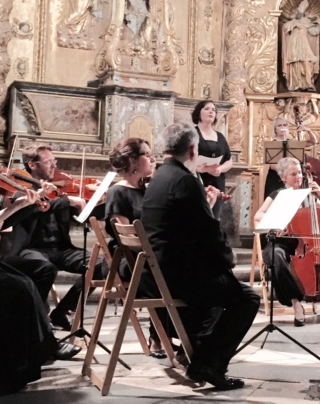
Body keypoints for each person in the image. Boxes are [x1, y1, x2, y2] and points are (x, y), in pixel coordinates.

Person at [0, 119, 81, 400]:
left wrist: (16, 207)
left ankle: (30, 352)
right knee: (20, 286)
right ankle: (17, 358)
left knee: (24, 282)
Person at [141, 121, 259, 391]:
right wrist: (227, 260)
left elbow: (187, 228)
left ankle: (198, 352)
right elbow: (209, 234)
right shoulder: (185, 180)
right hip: (178, 275)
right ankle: (209, 364)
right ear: (193, 150)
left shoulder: (160, 176)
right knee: (247, 298)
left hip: (157, 270)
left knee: (223, 291)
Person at [254, 158, 320, 326]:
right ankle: (295, 303)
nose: (298, 176)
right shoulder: (277, 195)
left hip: (310, 245)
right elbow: (258, 215)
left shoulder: (309, 196)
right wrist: (277, 222)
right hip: (283, 243)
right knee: (276, 256)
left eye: (300, 172)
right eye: (293, 174)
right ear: (283, 177)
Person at [4, 144, 92, 331]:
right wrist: (63, 201)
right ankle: (37, 319)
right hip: (31, 249)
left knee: (100, 265)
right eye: (49, 162)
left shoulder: (58, 190)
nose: (54, 166)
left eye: (55, 162)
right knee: (44, 269)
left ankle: (61, 312)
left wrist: (91, 205)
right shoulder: (21, 190)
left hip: (61, 249)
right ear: (32, 165)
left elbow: (75, 218)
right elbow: (29, 209)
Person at [104, 137, 164, 356]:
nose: (152, 158)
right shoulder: (118, 192)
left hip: (149, 256)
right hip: (127, 260)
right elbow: (125, 236)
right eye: (146, 154)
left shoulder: (150, 189)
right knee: (169, 275)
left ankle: (174, 337)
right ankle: (161, 337)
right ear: (132, 161)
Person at [192, 100, 233, 219]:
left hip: (217, 180)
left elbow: (229, 160)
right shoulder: (192, 134)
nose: (211, 111)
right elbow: (184, 160)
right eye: (207, 109)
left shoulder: (220, 136)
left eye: (214, 110)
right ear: (198, 113)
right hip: (198, 180)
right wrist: (203, 169)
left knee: (215, 217)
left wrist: (220, 169)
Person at [263, 115, 317, 199]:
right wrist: (287, 172)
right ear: (275, 129)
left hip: (290, 178)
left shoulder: (293, 143)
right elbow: (272, 165)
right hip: (275, 178)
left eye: (284, 125)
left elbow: (313, 142)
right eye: (279, 125)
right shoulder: (272, 144)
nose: (282, 127)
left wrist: (308, 130)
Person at [282, 0, 320, 91]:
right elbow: (285, 28)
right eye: (300, 9)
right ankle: (295, 84)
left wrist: (319, 24)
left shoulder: (307, 22)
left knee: (307, 62)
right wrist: (295, 24)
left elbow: (314, 31)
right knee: (294, 63)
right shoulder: (292, 22)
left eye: (302, 9)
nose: (300, 11)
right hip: (294, 45)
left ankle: (307, 84)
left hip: (304, 45)